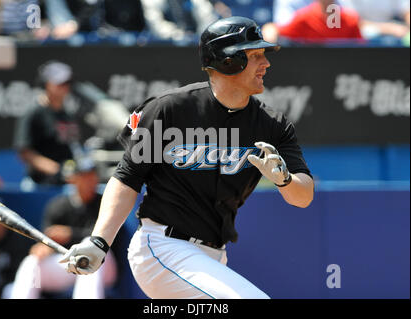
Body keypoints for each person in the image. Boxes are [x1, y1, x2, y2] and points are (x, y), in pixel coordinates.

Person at [60, 16, 314, 299]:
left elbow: (302, 197)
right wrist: (99, 241)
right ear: (227, 60)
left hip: (212, 257)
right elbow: (126, 179)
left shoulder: (272, 124)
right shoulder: (170, 110)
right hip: (163, 247)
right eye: (254, 55)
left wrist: (285, 179)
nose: (265, 63)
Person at [8, 158, 117, 299]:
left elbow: (107, 238)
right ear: (73, 179)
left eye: (92, 175)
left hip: (103, 267)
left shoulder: (104, 203)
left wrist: (70, 234)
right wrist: (44, 247)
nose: (90, 180)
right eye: (84, 176)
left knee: (88, 248)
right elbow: (46, 240)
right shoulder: (58, 206)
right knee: (31, 262)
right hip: (68, 267)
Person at [13, 60, 81, 185]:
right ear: (46, 84)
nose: (65, 87)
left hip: (66, 183)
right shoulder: (34, 113)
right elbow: (24, 152)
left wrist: (72, 171)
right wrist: (55, 170)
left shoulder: (68, 115)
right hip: (38, 183)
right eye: (60, 83)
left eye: (67, 83)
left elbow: (71, 146)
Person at [262, 0, 362, 43]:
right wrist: (269, 30)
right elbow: (276, 30)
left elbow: (361, 51)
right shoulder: (304, 18)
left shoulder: (350, 20)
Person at [140, 0, 218, 40]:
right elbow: (157, 27)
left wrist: (198, 37)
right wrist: (180, 35)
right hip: (165, 47)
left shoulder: (197, 1)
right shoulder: (151, 1)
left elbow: (207, 21)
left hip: (194, 45)